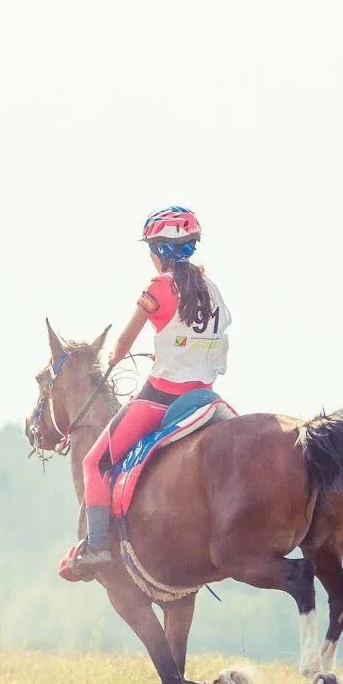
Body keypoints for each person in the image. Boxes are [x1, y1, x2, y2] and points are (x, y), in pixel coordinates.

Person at [75, 205, 232, 570]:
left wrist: (114, 356)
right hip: (206, 398)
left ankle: (97, 546)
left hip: (161, 401)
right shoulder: (212, 288)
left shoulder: (158, 288)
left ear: (160, 252)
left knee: (94, 463)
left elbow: (121, 345)